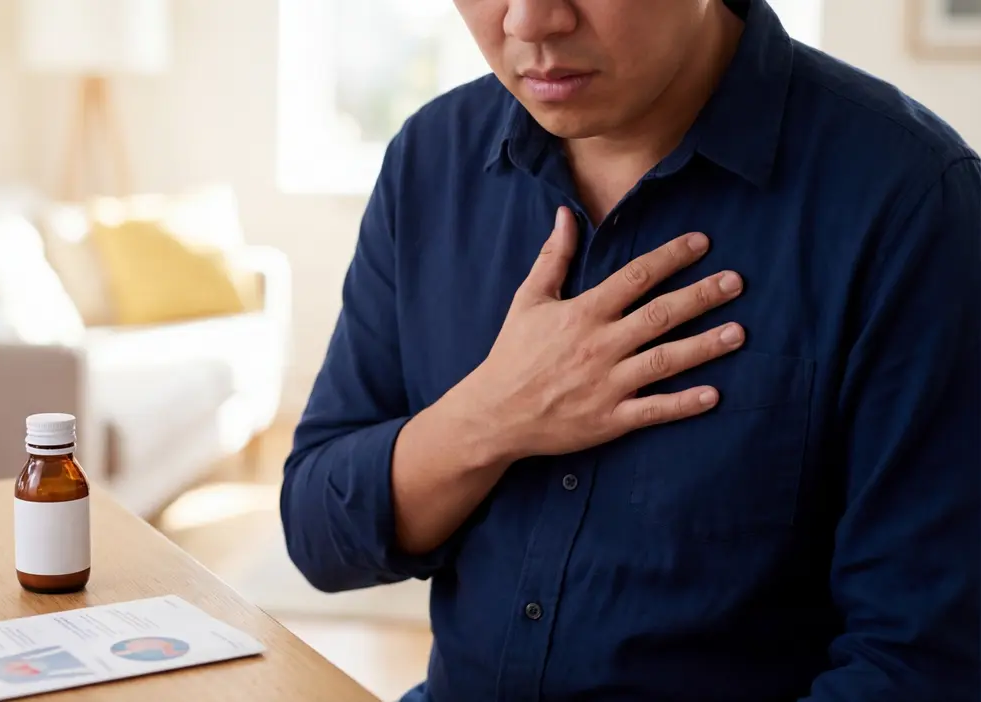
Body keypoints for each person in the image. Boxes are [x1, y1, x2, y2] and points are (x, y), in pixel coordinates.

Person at [279, 0, 980, 700]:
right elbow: (318, 533)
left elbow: (920, 666)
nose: (527, 22)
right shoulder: (429, 159)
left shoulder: (913, 204)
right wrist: (489, 417)